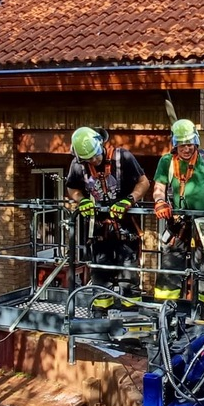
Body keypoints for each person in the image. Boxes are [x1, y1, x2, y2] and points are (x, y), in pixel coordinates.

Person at [65, 126, 150, 311]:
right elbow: (72, 188)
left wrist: (129, 200)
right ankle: (101, 315)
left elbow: (144, 182)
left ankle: (130, 315)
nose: (94, 161)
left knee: (129, 276)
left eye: (96, 156)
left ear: (101, 143)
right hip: (98, 230)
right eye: (89, 159)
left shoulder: (123, 158)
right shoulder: (78, 165)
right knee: (100, 275)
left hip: (125, 228)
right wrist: (82, 200)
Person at [151, 119, 204, 303]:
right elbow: (159, 187)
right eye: (182, 145)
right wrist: (160, 201)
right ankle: (166, 308)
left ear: (196, 142)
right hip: (179, 224)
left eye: (190, 144)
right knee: (171, 265)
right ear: (175, 145)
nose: (186, 149)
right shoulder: (167, 161)